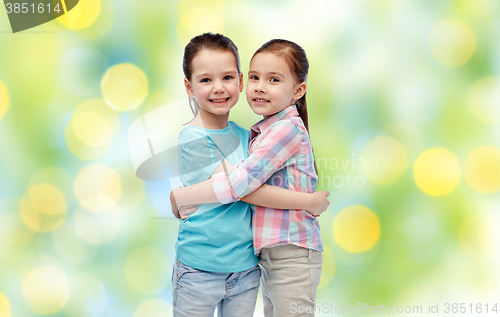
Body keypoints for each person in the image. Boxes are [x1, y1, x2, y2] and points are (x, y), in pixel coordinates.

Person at [171, 33, 329, 317]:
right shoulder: (194, 138)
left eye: (227, 78)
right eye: (206, 80)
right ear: (189, 86)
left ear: (238, 81)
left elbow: (239, 186)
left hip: (245, 267)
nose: (218, 88)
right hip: (201, 265)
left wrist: (180, 195)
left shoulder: (251, 137)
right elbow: (240, 186)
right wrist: (306, 201)